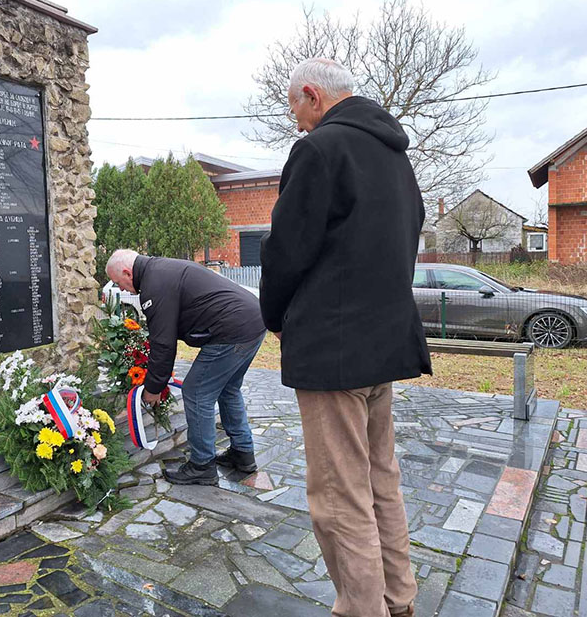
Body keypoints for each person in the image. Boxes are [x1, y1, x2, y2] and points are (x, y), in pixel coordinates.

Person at [259, 58, 432, 617]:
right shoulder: (396, 156)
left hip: (332, 349)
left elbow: (286, 249)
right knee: (381, 479)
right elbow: (406, 239)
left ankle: (361, 609)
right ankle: (398, 599)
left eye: (296, 109)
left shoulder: (319, 150)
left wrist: (276, 314)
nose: (298, 123)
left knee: (338, 496)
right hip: (382, 344)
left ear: (313, 94)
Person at [106, 249, 266, 485]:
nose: (120, 290)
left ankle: (202, 465)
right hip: (252, 321)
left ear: (128, 273)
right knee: (228, 389)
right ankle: (243, 454)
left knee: (196, 391)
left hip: (232, 330)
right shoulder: (159, 270)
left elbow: (163, 343)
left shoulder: (154, 283)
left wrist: (153, 387)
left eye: (119, 283)